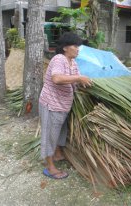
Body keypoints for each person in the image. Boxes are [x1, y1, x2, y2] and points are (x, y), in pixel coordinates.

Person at [39, 33, 93, 180]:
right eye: (75, 46)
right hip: (51, 104)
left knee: (59, 132)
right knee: (50, 135)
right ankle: (49, 167)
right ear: (65, 48)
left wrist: (85, 83)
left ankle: (56, 154)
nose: (78, 49)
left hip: (63, 105)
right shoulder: (59, 59)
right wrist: (79, 78)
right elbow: (56, 78)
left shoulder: (72, 62)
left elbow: (76, 80)